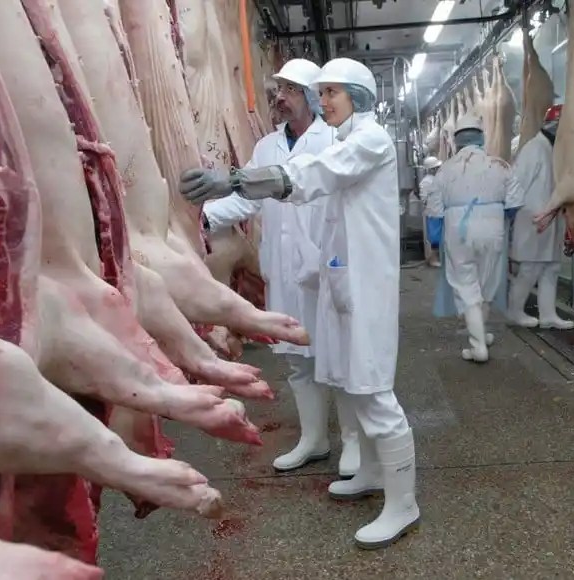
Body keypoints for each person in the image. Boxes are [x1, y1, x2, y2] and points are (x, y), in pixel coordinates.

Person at [179, 57, 419, 550]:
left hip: (364, 288)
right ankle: (372, 474)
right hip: (339, 284)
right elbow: (305, 178)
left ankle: (404, 503)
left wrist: (236, 178)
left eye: (331, 93)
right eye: (321, 92)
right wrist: (224, 199)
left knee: (372, 390)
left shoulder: (368, 140)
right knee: (350, 383)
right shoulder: (349, 137)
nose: (322, 100)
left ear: (360, 95)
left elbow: (313, 173)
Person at [188, 58, 361, 479]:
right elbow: (246, 197)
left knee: (338, 356)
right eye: (278, 91)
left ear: (309, 96)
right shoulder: (266, 146)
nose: (279, 99)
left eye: (288, 91)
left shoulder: (334, 140)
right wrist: (205, 218)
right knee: (297, 360)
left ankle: (354, 444)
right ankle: (314, 439)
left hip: (325, 267)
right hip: (282, 269)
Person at [425, 114, 525, 363]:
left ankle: (478, 346)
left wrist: (436, 245)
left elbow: (434, 213)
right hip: (493, 227)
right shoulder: (500, 165)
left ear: (456, 141)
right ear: (482, 137)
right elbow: (514, 205)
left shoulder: (445, 170)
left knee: (467, 286)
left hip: (457, 229)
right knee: (486, 284)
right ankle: (481, 332)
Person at [508, 104, 574, 330]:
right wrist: (512, 214)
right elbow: (516, 183)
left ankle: (548, 315)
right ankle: (515, 312)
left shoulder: (552, 149)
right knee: (530, 269)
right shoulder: (534, 148)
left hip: (549, 220)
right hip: (532, 220)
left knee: (551, 268)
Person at [418, 156, 442, 267]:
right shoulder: (426, 182)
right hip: (433, 213)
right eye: (436, 167)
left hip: (441, 212)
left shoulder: (438, 179)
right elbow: (423, 199)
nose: (438, 169)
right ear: (431, 169)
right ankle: (432, 259)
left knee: (440, 237)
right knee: (435, 238)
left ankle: (437, 258)